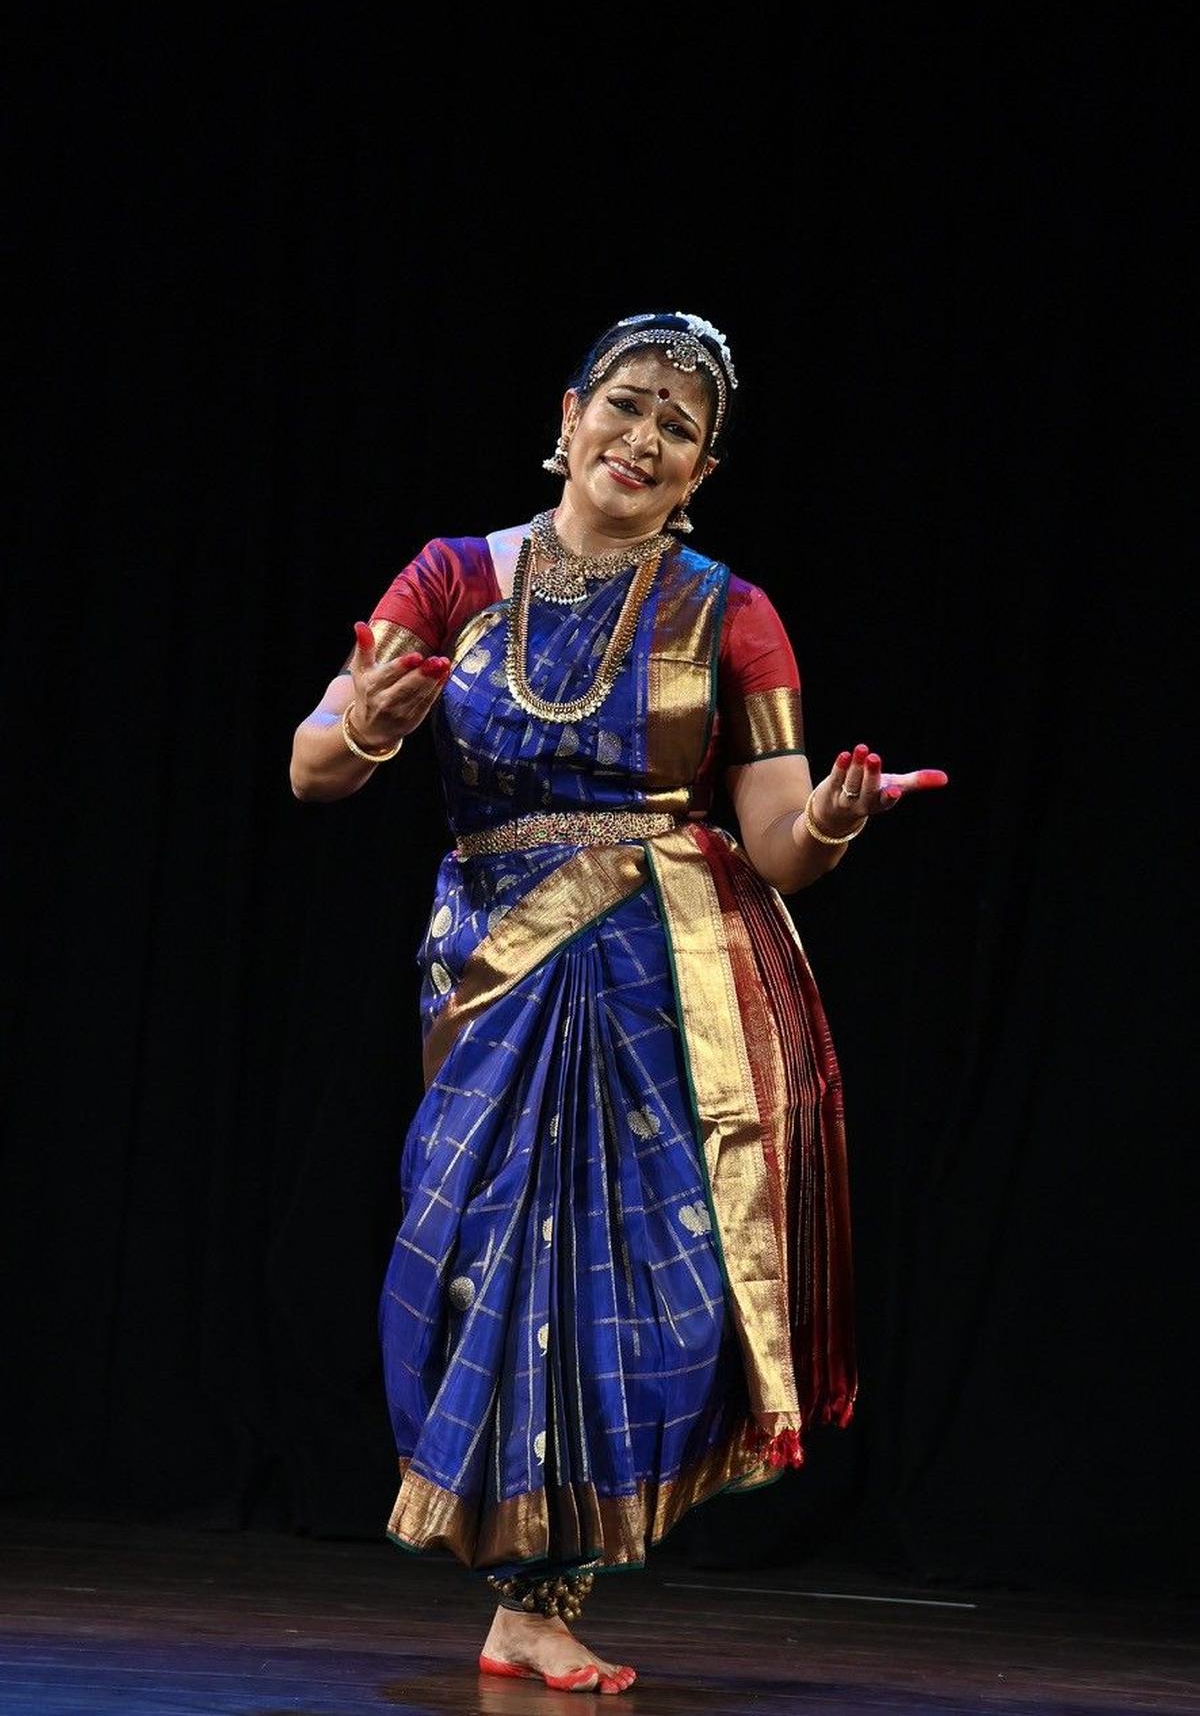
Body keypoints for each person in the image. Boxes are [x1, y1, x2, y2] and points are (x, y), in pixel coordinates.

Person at [289, 311, 947, 1694]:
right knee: (480, 1256)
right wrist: (369, 722)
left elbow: (776, 838)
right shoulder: (454, 575)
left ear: (702, 470)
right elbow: (313, 767)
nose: (644, 440)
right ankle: (513, 1584)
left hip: (660, 978)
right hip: (493, 969)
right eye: (629, 407)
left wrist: (828, 820)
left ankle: (541, 1599)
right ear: (573, 409)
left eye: (680, 430)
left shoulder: (732, 612)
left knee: (639, 1284)